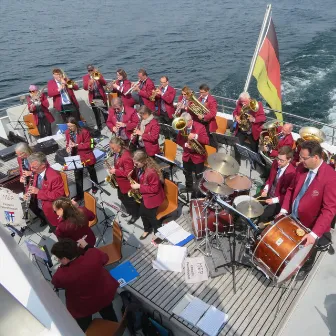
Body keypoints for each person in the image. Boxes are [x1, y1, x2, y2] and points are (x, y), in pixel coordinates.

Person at [280, 140, 336, 279]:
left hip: (311, 224)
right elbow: (291, 189)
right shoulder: (301, 169)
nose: (300, 161)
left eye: (304, 158)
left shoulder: (330, 178)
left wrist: (314, 234)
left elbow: (329, 209)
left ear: (316, 157)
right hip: (294, 217)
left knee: (309, 249)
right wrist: (283, 210)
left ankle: (306, 266)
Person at [51, 238, 119, 332]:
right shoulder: (93, 255)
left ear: (65, 259)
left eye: (58, 258)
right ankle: (116, 329)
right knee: (109, 313)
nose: (58, 260)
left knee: (84, 325)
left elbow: (55, 282)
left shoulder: (62, 275)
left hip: (83, 307)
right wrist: (86, 245)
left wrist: (62, 266)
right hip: (103, 296)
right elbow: (104, 258)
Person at [130, 150, 165, 241]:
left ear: (144, 162)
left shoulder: (151, 172)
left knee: (152, 217)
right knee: (142, 213)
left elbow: (154, 189)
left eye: (136, 163)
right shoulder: (141, 167)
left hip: (154, 198)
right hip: (146, 196)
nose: (135, 165)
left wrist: (139, 186)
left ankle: (158, 234)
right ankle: (147, 229)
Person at [26, 152, 65, 232]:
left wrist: (38, 192)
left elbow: (58, 195)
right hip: (42, 207)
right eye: (31, 167)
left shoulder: (54, 177)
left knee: (58, 231)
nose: (31, 170)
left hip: (51, 210)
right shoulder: (37, 171)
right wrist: (28, 192)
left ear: (43, 165)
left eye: (34, 167)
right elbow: (32, 183)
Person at [258, 146, 296, 224]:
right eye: (278, 159)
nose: (278, 162)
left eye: (282, 160)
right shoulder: (275, 163)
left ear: (289, 160)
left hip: (278, 201)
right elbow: (269, 179)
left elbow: (288, 195)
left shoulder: (292, 173)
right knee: (251, 203)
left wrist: (274, 200)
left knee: (262, 216)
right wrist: (265, 190)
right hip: (268, 193)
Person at [108, 137, 140, 224]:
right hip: (120, 182)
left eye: (113, 148)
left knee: (130, 201)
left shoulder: (126, 157)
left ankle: (135, 214)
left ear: (118, 146)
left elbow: (128, 172)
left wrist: (116, 171)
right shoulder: (118, 153)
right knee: (121, 197)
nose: (112, 150)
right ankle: (130, 211)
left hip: (127, 184)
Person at [176, 112, 209, 195]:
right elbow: (179, 140)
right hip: (187, 155)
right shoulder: (183, 127)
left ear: (190, 121)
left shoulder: (200, 127)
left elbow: (206, 141)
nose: (183, 125)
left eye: (184, 123)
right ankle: (189, 187)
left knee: (198, 176)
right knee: (187, 173)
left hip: (197, 156)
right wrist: (186, 145)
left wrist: (196, 136)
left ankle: (198, 192)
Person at [65, 117, 98, 200]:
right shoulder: (67, 132)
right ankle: (80, 195)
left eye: (71, 126)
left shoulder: (84, 132)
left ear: (76, 125)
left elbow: (90, 144)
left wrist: (77, 145)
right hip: (75, 156)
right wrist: (68, 148)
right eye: (68, 126)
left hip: (86, 155)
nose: (69, 128)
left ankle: (95, 187)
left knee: (92, 172)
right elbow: (68, 143)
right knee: (77, 176)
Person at [189, 84, 218, 149]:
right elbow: (194, 110)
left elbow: (213, 113)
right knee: (200, 137)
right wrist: (192, 104)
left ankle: (211, 150)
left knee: (208, 139)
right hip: (199, 122)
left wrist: (203, 117)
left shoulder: (212, 100)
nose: (201, 94)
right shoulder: (200, 99)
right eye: (200, 92)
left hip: (208, 124)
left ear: (207, 91)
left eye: (202, 92)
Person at [82, 64, 108, 130]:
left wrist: (98, 78)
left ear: (93, 69)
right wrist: (89, 83)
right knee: (97, 114)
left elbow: (104, 83)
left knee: (105, 113)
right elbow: (85, 87)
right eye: (89, 70)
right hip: (93, 98)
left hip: (101, 97)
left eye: (91, 70)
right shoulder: (85, 77)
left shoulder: (98, 74)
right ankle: (100, 128)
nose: (90, 72)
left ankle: (108, 125)